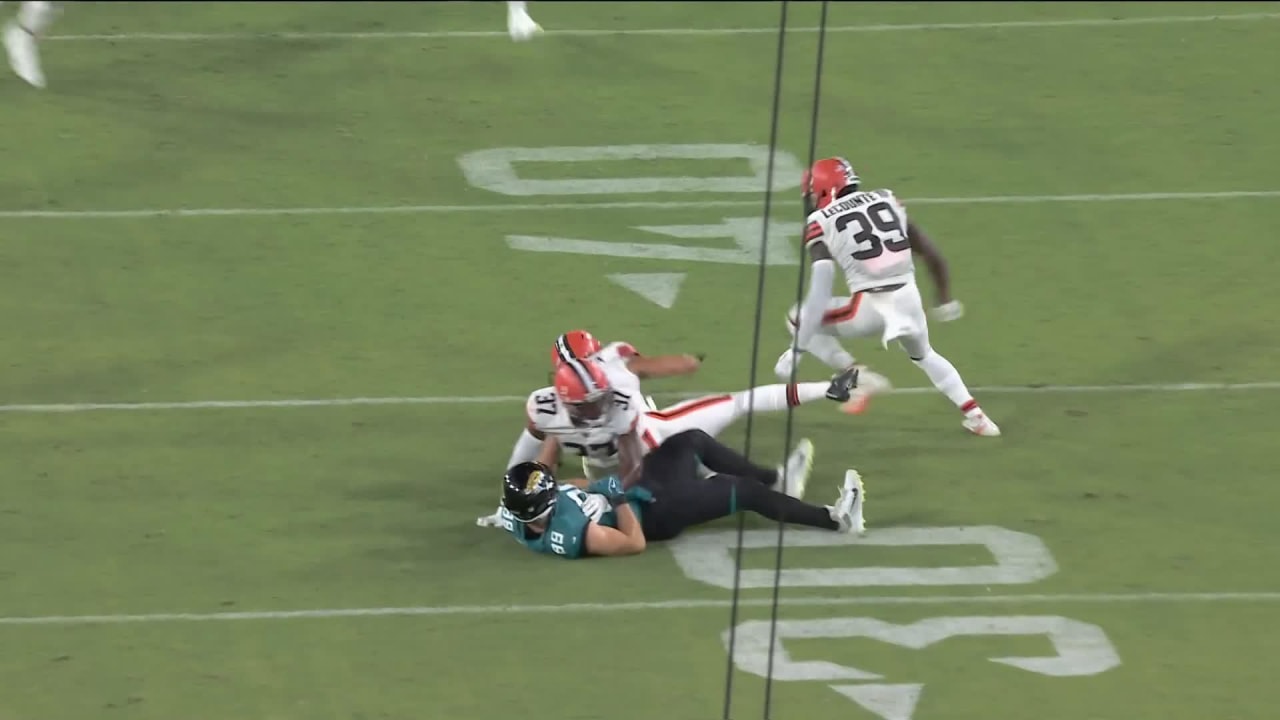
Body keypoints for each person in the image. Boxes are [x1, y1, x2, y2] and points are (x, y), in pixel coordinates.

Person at [782, 156, 1001, 436]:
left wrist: (796, 350)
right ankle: (978, 417)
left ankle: (856, 375)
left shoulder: (820, 220)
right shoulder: (886, 199)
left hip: (869, 307)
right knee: (926, 356)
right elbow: (929, 252)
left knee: (797, 319)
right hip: (909, 297)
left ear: (825, 189)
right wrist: (944, 296)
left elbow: (821, 286)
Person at [496, 429, 866, 558]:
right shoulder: (578, 533)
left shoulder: (522, 513)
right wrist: (615, 497)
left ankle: (777, 481)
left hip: (639, 491)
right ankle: (836, 521)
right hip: (655, 515)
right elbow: (633, 543)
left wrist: (591, 488)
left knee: (690, 442)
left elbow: (564, 489)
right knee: (741, 492)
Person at [3, 1, 56, 88]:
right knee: (32, 76)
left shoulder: (46, 6)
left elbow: (45, 18)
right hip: (20, 35)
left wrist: (40, 31)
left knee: (36, 78)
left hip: (27, 36)